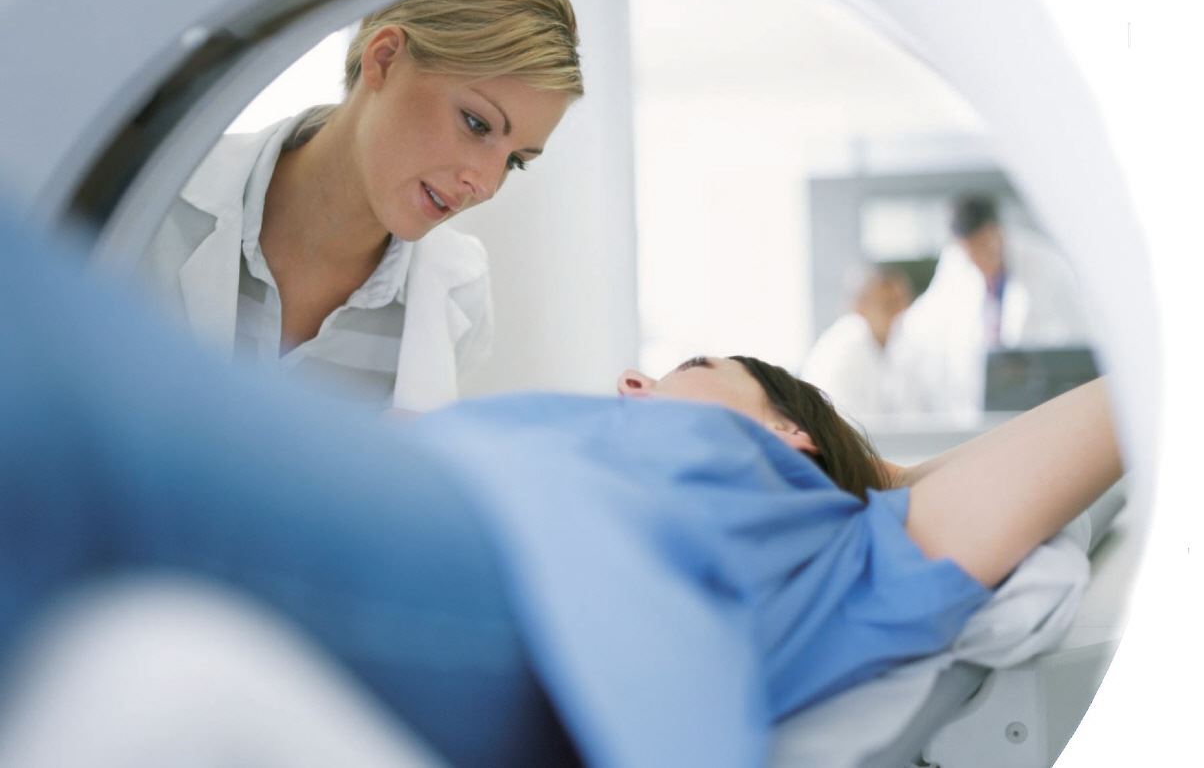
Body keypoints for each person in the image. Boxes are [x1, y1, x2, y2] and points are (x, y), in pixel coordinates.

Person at [0, 205, 1122, 767]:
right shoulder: (577, 430)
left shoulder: (839, 535)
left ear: (787, 435)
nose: (634, 379)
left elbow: (1115, 410)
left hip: (514, 584)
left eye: (690, 369)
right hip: (416, 490)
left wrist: (874, 470)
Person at [140, 0, 583, 412]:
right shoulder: (151, 201)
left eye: (514, 161)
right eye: (476, 123)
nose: (485, 185)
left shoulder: (460, 297)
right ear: (384, 59)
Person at [891, 194, 1093, 415]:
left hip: (1037, 398)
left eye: (986, 246)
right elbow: (922, 324)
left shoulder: (1047, 263)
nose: (981, 260)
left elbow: (1077, 339)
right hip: (976, 400)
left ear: (999, 231)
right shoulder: (955, 263)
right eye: (972, 253)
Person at [801, 265, 914, 420]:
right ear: (860, 308)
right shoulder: (846, 348)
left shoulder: (889, 347)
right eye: (889, 305)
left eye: (903, 304)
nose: (900, 313)